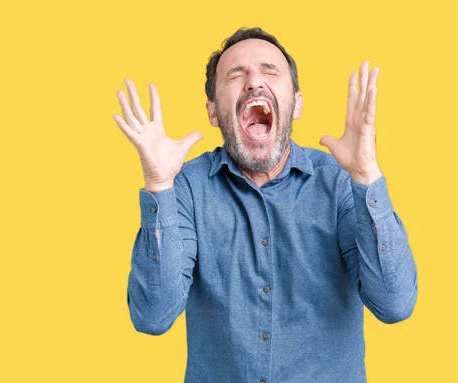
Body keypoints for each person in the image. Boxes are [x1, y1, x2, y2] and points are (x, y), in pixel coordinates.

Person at [113, 27, 418, 383]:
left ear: (297, 103)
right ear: (213, 112)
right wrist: (159, 185)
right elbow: (152, 316)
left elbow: (395, 304)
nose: (254, 81)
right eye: (236, 74)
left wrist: (366, 175)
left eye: (269, 70)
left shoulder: (340, 182)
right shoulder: (186, 188)